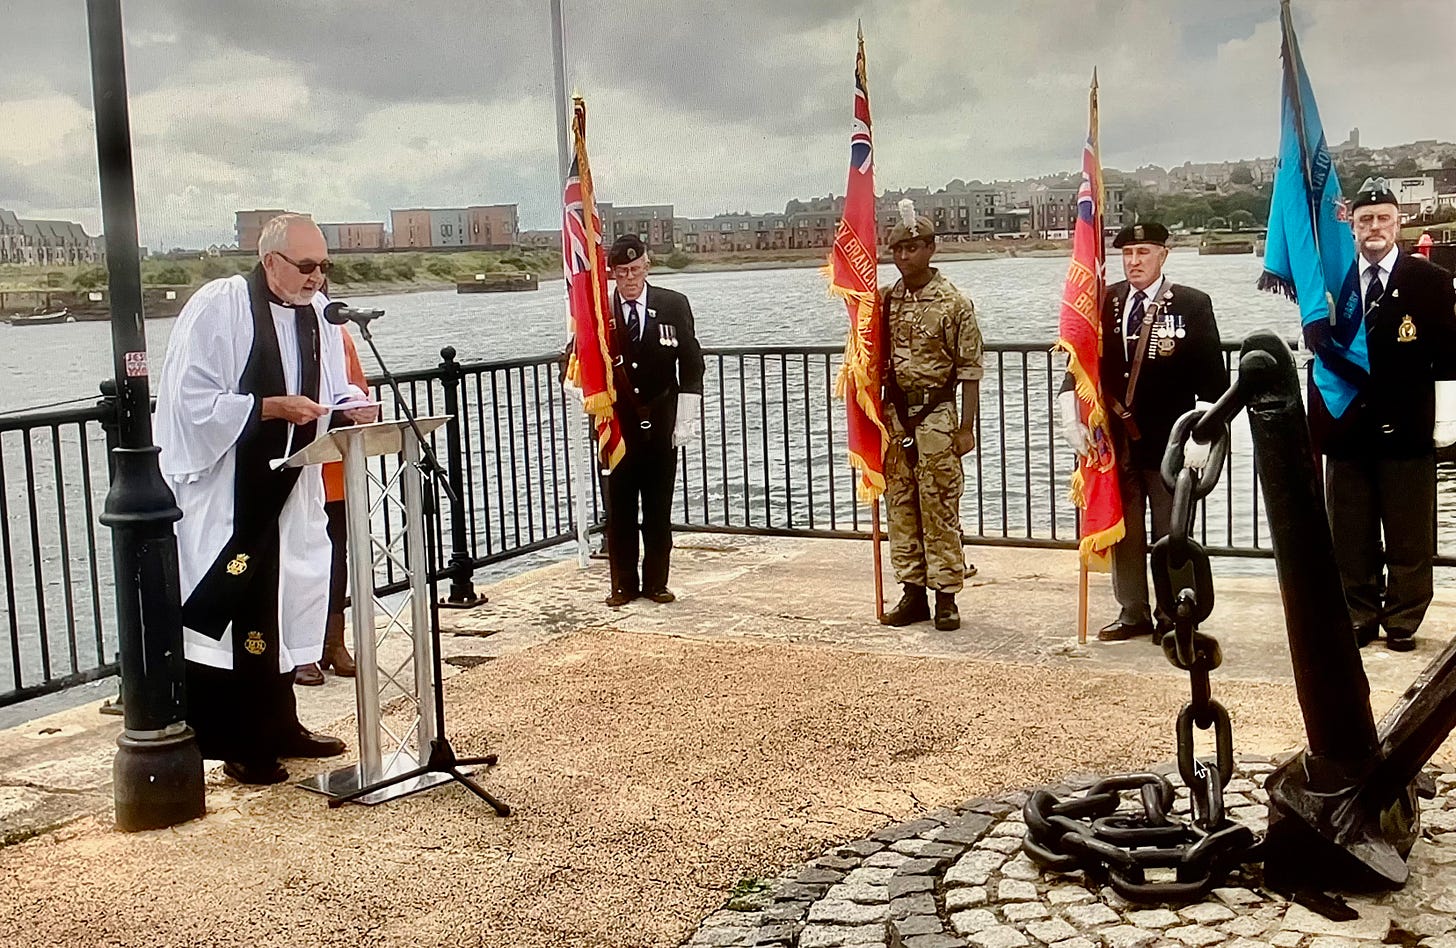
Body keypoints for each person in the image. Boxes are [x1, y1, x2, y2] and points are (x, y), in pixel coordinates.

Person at [153, 214, 377, 784]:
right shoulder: (219, 306)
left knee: (288, 600)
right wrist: (268, 407)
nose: (316, 277)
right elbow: (189, 400)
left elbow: (329, 388)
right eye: (306, 267)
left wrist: (350, 405)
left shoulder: (320, 315)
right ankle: (237, 741)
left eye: (324, 266)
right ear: (269, 259)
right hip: (232, 488)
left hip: (291, 483)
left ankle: (281, 723)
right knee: (238, 612)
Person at [1058, 221, 1226, 642]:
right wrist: (1069, 412)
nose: (1134, 262)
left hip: (1170, 442)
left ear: (1163, 256)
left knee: (1173, 531)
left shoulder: (1191, 304)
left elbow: (1213, 384)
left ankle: (1176, 611)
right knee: (1124, 530)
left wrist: (1201, 439)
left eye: (1144, 253)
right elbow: (1080, 363)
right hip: (1114, 442)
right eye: (1128, 254)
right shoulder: (1104, 302)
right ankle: (1133, 611)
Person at [1309, 178, 1456, 651]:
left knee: (1409, 530)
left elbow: (1449, 356)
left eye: (1383, 219)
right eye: (1365, 220)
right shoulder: (1331, 285)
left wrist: (1447, 422)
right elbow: (1314, 354)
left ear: (1398, 224)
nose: (1374, 227)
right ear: (1351, 227)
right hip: (1349, 425)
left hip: (1407, 423)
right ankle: (1359, 613)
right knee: (1350, 530)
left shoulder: (1429, 281)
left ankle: (1403, 619)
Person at [877, 205, 983, 632]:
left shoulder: (954, 302)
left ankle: (946, 597)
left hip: (937, 415)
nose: (905, 257)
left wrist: (966, 428)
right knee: (900, 506)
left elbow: (970, 370)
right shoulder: (885, 300)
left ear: (931, 248)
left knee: (939, 505)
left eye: (914, 248)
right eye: (899, 249)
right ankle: (912, 592)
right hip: (895, 416)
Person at [602, 234, 704, 606]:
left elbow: (692, 365)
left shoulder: (673, 305)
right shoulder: (598, 310)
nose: (629, 279)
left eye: (635, 270)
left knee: (658, 508)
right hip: (615, 424)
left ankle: (656, 582)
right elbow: (577, 359)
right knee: (619, 509)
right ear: (612, 273)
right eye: (621, 272)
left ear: (647, 266)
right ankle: (623, 585)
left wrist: (685, 420)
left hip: (662, 421)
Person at [294, 327, 367, 685]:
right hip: (294, 470)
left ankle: (333, 642)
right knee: (298, 561)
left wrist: (360, 410)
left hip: (334, 470)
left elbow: (358, 392)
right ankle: (299, 650)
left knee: (336, 558)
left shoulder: (340, 336)